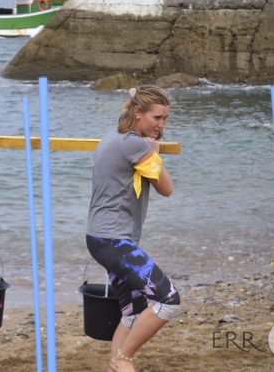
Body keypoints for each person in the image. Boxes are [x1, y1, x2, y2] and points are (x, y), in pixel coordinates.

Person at [86, 86, 179, 372]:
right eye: (157, 118)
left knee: (133, 312)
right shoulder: (135, 145)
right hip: (114, 240)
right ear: (138, 113)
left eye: (165, 119)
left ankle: (115, 366)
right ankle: (123, 359)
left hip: (100, 238)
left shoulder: (113, 138)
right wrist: (154, 154)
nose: (161, 125)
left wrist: (151, 150)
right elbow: (166, 188)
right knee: (168, 300)